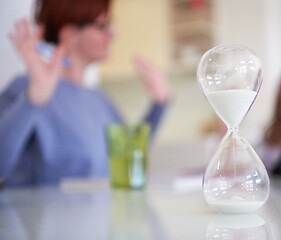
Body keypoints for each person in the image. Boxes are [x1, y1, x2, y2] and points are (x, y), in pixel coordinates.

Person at [0, 0, 171, 186]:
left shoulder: (98, 99)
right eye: (103, 26)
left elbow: (128, 156)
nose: (113, 34)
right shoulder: (25, 89)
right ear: (70, 35)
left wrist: (159, 105)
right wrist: (34, 98)